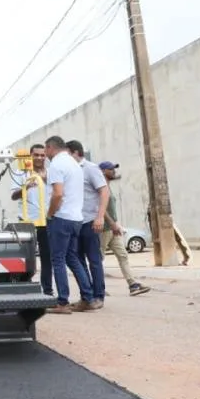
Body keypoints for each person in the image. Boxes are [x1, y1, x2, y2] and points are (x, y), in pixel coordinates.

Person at [43, 135, 94, 314]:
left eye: (45, 149)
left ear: (50, 147)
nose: (45, 154)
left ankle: (62, 302)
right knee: (72, 258)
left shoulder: (56, 165)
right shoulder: (74, 163)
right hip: (76, 219)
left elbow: (58, 194)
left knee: (57, 260)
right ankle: (87, 298)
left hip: (61, 218)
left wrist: (50, 214)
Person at [67, 140, 109, 308]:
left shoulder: (90, 168)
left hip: (90, 221)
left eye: (67, 154)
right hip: (75, 221)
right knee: (78, 261)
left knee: (94, 260)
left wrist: (100, 217)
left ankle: (98, 296)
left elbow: (104, 191)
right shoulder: (70, 171)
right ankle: (87, 297)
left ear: (76, 153)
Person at [98, 161, 150, 296]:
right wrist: (112, 224)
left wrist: (116, 225)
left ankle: (132, 285)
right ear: (102, 171)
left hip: (112, 229)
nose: (113, 171)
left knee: (123, 255)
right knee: (98, 259)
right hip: (103, 229)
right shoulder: (100, 187)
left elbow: (110, 210)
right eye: (110, 169)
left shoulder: (108, 186)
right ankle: (97, 288)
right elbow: (100, 208)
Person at [11, 143, 52, 296]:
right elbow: (13, 196)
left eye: (42, 155)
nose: (40, 158)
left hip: (46, 221)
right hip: (27, 221)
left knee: (47, 258)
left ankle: (47, 291)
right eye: (36, 155)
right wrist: (26, 186)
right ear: (30, 156)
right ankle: (24, 289)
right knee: (26, 258)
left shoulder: (51, 173)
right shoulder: (21, 173)